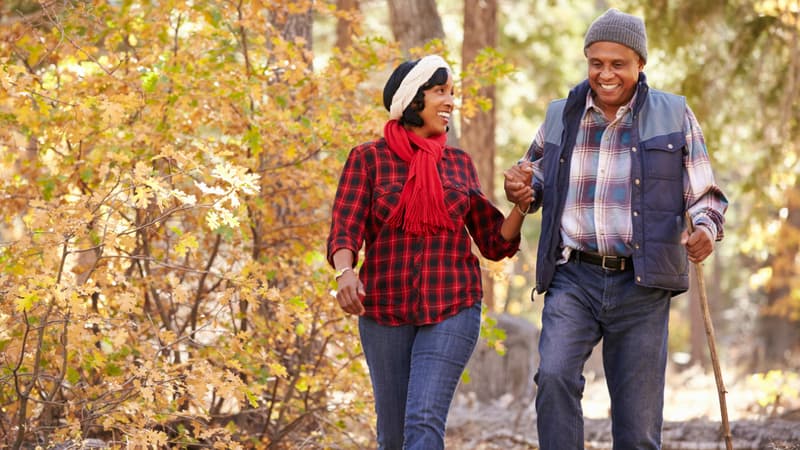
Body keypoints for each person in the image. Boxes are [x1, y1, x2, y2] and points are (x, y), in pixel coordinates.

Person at [504, 8, 729, 449]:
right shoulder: (560, 115)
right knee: (553, 376)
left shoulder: (674, 115)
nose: (606, 74)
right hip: (574, 277)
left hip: (641, 283)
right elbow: (535, 178)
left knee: (638, 422)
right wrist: (520, 184)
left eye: (618, 64)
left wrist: (705, 228)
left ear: (640, 64)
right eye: (596, 63)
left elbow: (706, 196)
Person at [326, 55, 533, 450]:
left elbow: (494, 241)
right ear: (412, 100)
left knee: (422, 420)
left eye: (452, 92)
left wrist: (521, 205)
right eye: (440, 91)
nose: (450, 101)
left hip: (453, 304)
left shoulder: (458, 164)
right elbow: (344, 227)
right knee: (392, 434)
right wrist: (345, 272)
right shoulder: (367, 159)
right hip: (383, 310)